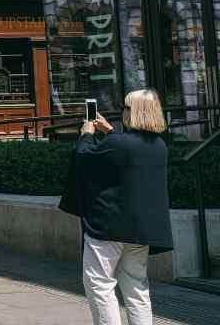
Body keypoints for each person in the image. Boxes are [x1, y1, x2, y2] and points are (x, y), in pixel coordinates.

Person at [64, 89, 171, 325]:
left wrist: (87, 134)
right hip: (141, 230)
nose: (122, 111)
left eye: (125, 107)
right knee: (137, 288)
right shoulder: (159, 146)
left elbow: (85, 158)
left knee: (100, 285)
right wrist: (109, 131)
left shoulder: (118, 143)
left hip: (109, 228)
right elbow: (126, 154)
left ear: (135, 112)